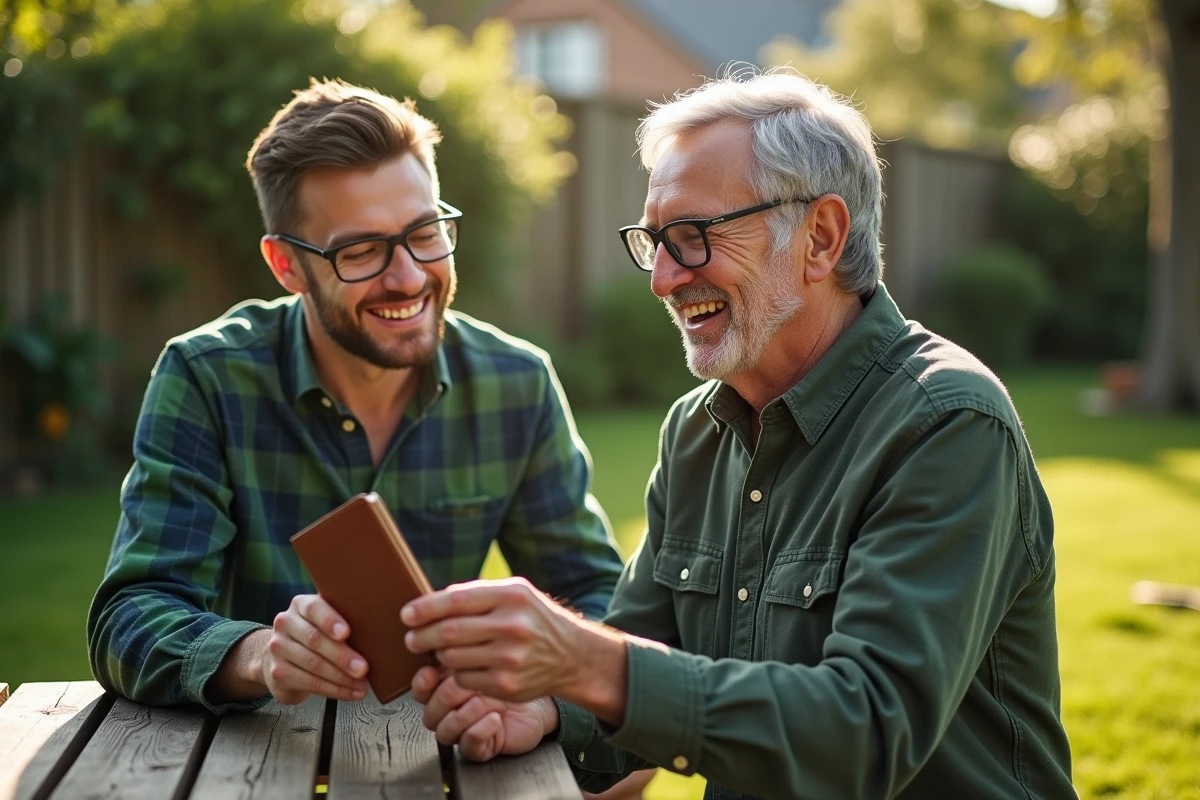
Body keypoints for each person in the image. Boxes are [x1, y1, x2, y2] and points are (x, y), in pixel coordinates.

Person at [400, 71, 1076, 799]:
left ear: (820, 237)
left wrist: (587, 664)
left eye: (691, 238)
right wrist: (545, 707)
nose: (661, 279)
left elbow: (870, 732)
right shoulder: (696, 432)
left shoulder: (945, 422)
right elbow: (646, 663)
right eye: (655, 242)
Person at [86, 79, 624, 715]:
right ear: (287, 266)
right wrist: (258, 654)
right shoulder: (206, 377)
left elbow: (599, 603)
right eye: (362, 251)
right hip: (256, 761)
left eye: (425, 232)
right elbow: (129, 617)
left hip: (448, 757)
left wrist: (542, 708)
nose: (409, 278)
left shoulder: (517, 382)